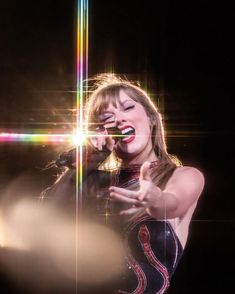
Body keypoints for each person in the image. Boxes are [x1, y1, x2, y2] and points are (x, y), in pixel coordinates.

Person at [45, 74, 204, 293]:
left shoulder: (182, 176)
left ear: (150, 118)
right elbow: (47, 216)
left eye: (127, 108)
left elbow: (173, 201)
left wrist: (155, 199)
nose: (118, 120)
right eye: (107, 117)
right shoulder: (96, 182)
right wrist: (89, 161)